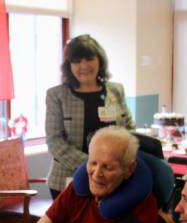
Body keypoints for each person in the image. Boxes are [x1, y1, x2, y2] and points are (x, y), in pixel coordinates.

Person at [0, 127, 157, 223]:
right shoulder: (77, 190)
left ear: (129, 169)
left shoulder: (141, 210)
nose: (96, 173)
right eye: (93, 163)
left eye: (108, 167)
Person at [46, 34, 135, 199]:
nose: (84, 66)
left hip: (112, 179)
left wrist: (111, 166)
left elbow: (129, 128)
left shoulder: (116, 90)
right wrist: (92, 165)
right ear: (69, 65)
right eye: (77, 61)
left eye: (89, 59)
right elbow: (54, 141)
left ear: (99, 60)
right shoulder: (57, 95)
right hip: (68, 177)